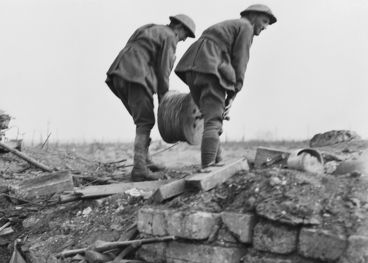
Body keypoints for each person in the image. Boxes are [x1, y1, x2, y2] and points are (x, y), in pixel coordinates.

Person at [175, 4, 277, 168]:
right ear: (252, 16)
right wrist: (235, 89)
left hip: (192, 67)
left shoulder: (230, 25)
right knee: (214, 120)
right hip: (210, 67)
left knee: (210, 119)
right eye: (264, 21)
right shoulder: (246, 27)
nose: (265, 27)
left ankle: (217, 160)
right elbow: (240, 60)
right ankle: (208, 168)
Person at [106, 14, 196, 181]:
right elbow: (164, 71)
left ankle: (145, 160)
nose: (183, 40)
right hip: (136, 76)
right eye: (185, 35)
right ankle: (140, 168)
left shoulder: (150, 27)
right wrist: (165, 100)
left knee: (142, 119)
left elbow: (132, 47)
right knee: (145, 121)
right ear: (179, 28)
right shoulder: (169, 37)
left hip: (118, 74)